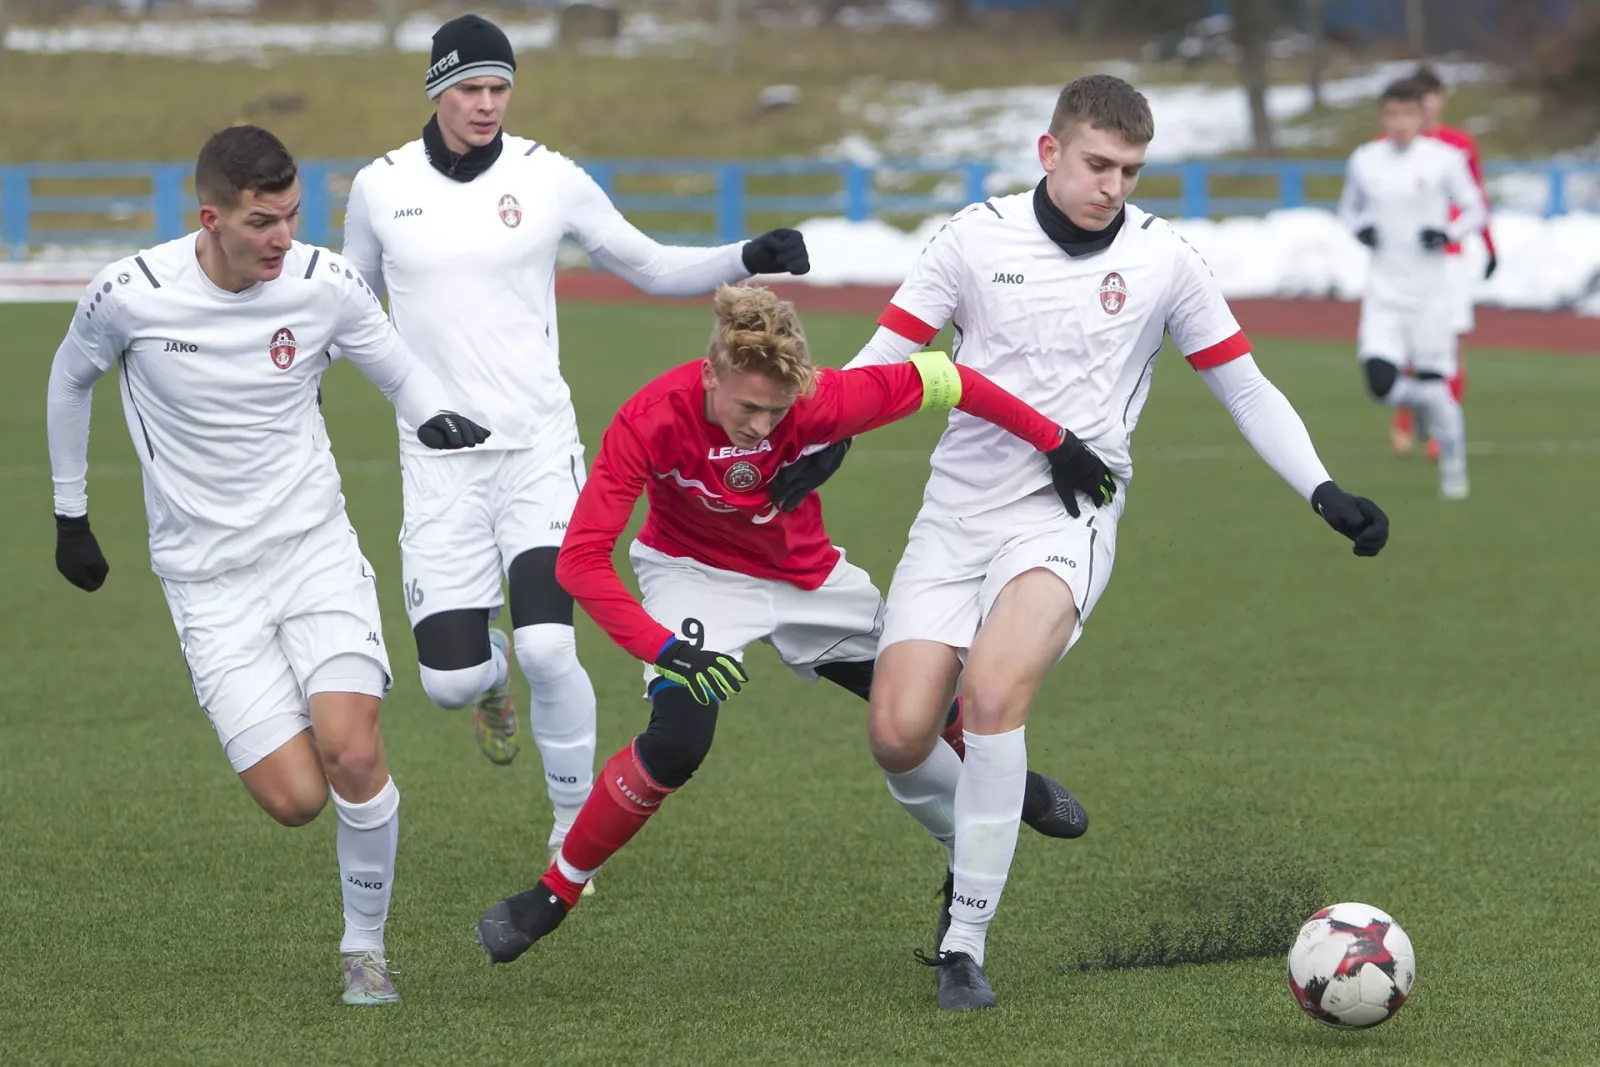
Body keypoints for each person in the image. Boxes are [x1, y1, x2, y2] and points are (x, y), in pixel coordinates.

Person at [774, 74, 1391, 1010]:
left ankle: (963, 942)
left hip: (1070, 512)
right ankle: (983, 825)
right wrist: (829, 437)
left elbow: (1244, 384)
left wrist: (1322, 486)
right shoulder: (972, 239)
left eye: (1131, 170)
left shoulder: (1164, 259)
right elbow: (886, 355)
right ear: (1049, 151)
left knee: (991, 693)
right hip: (956, 511)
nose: (1114, 186)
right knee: (898, 733)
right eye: (1099, 164)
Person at [473, 284, 1098, 965]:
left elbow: (949, 379)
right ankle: (554, 892)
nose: (763, 427)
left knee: (916, 703)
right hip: (695, 576)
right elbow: (580, 560)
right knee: (678, 741)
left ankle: (1010, 785)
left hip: (808, 577)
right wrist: (664, 648)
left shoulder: (820, 398)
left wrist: (1056, 441)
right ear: (710, 374)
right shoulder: (649, 418)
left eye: (777, 411)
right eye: (748, 408)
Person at [341, 15, 812, 883]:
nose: (487, 104)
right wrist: (384, 392)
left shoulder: (547, 176)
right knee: (448, 683)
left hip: (538, 454)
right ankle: (488, 680)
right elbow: (353, 311)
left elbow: (648, 264)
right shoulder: (380, 187)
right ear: (437, 90)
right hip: (438, 466)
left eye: (500, 88)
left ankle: (568, 827)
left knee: (552, 647)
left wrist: (746, 254)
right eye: (470, 88)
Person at [45, 125, 491, 1006]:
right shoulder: (130, 295)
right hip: (207, 581)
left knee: (351, 748)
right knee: (296, 799)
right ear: (209, 218)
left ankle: (365, 949)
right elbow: (68, 380)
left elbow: (399, 369)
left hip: (312, 550)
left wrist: (434, 414)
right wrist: (71, 515)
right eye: (262, 221)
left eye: (291, 215)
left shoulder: (324, 284)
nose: (283, 236)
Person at [1340, 78, 1486, 500]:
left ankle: (1454, 471)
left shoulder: (1445, 159)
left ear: (1422, 116)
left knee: (1437, 382)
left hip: (1431, 296)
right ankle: (1424, 403)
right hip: (1383, 294)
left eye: (1408, 114)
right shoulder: (1365, 160)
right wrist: (1359, 228)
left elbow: (1476, 208)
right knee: (1380, 384)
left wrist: (1449, 232)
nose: (1400, 122)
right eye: (1392, 114)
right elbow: (1349, 208)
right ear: (1382, 117)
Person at [1389, 66, 1497, 460]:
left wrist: (1490, 246)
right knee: (1406, 342)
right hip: (1406, 262)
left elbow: (1476, 199)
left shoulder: (1458, 145)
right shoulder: (1388, 149)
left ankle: (1441, 429)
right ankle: (1406, 416)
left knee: (1450, 343)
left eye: (1430, 95)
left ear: (1440, 99)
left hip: (1449, 261)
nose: (1425, 105)